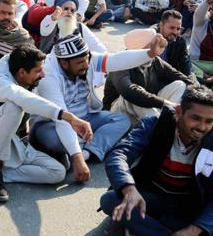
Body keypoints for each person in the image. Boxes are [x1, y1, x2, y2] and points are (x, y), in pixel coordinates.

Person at [100, 85, 213, 236]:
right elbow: (119, 154)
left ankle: (149, 229)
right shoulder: (155, 125)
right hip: (152, 197)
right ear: (179, 112)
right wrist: (129, 189)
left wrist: (194, 229)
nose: (202, 127)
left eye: (209, 121)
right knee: (110, 200)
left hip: (191, 207)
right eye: (196, 118)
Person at [0, 45, 93, 202]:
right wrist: (70, 118)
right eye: (38, 71)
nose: (43, 74)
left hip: (10, 141)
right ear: (21, 72)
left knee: (59, 172)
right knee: (14, 107)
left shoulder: (18, 66)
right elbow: (23, 98)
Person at [31, 33, 169, 166]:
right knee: (54, 140)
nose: (86, 65)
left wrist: (150, 53)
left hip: (85, 118)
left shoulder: (87, 60)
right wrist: (77, 155)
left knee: (121, 121)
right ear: (64, 63)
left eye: (87, 59)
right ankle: (81, 148)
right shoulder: (48, 76)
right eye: (80, 62)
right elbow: (61, 119)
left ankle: (86, 153)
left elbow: (116, 60)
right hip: (52, 124)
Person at [104, 28, 193, 121]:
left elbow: (178, 75)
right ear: (142, 47)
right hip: (117, 114)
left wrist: (200, 92)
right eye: (154, 44)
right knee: (137, 95)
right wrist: (166, 103)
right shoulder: (121, 62)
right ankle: (159, 125)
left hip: (144, 109)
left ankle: (167, 119)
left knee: (179, 85)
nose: (158, 47)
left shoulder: (154, 60)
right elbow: (129, 92)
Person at [155, 10, 192, 76]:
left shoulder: (180, 41)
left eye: (178, 29)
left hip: (170, 77)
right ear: (161, 25)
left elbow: (185, 66)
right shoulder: (150, 37)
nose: (175, 32)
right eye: (172, 28)